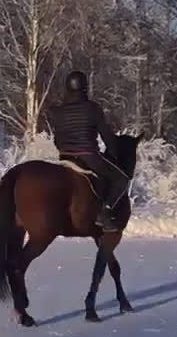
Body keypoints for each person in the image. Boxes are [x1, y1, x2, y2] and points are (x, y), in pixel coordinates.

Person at [46, 70, 127, 230]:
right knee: (121, 179)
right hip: (88, 156)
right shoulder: (92, 108)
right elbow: (106, 136)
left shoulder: (56, 111)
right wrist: (115, 153)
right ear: (84, 87)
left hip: (65, 157)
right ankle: (105, 213)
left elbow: (57, 139)